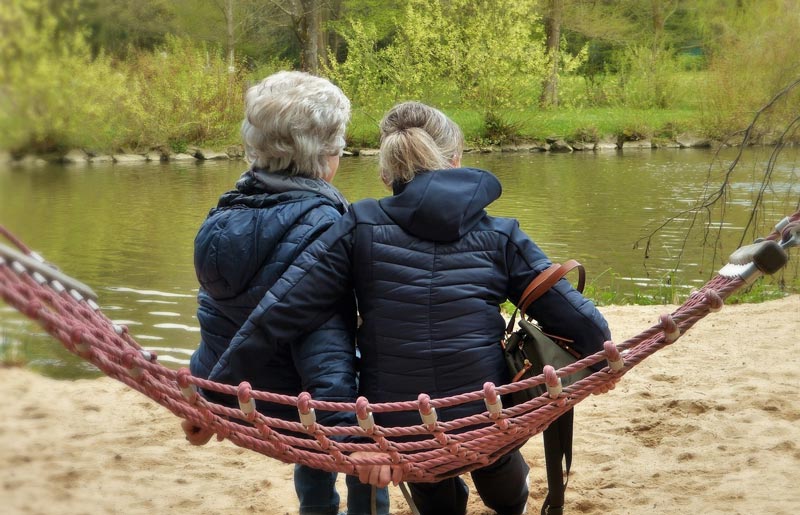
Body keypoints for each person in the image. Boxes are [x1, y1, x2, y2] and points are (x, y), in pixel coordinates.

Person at [211, 101, 611, 515]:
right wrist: (601, 361)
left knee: (425, 466)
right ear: (455, 160)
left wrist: (212, 393)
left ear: (386, 174)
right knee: (495, 450)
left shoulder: (358, 224)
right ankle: (510, 500)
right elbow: (583, 324)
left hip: (400, 427)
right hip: (485, 416)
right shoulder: (501, 234)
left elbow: (281, 312)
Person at [182, 70, 389, 515]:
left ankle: (316, 506)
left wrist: (207, 395)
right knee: (371, 402)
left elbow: (216, 319)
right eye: (339, 147)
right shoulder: (328, 227)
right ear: (326, 156)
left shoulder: (219, 219)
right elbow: (324, 345)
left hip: (244, 395)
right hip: (303, 404)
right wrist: (350, 437)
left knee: (314, 429)